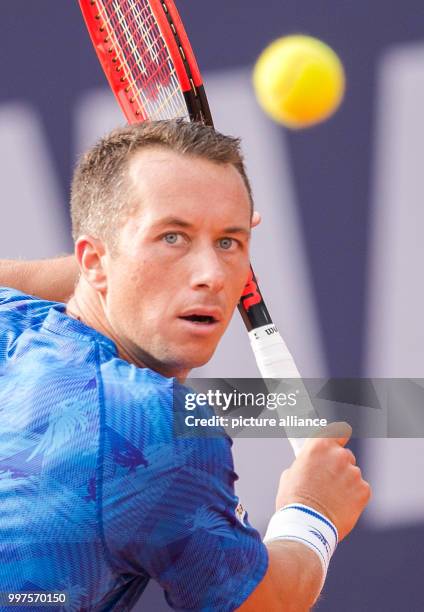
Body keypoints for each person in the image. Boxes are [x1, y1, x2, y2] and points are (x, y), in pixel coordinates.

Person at [0, 119, 370, 611]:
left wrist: (132, 255)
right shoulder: (154, 426)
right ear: (92, 261)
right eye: (173, 238)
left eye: (228, 243)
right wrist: (314, 510)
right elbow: (268, 603)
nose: (212, 276)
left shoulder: (14, 324)